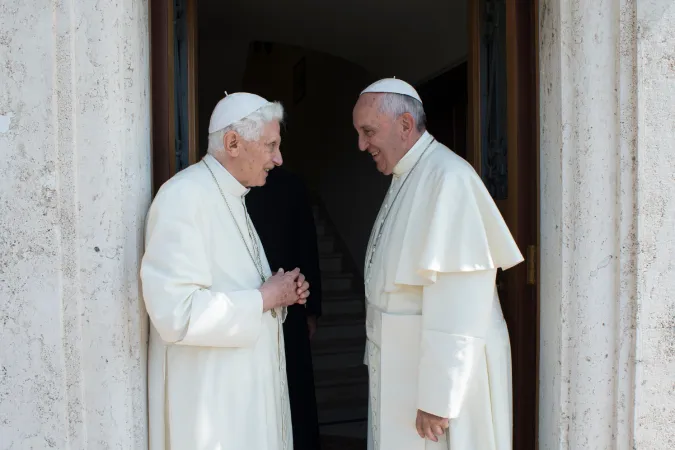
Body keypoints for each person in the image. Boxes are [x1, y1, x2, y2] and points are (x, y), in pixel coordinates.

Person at [352, 78, 524, 450]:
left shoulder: (449, 178)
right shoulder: (409, 175)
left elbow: (459, 300)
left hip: (442, 384)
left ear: (404, 125)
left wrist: (437, 398)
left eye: (368, 132)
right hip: (404, 365)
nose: (361, 145)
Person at [140, 92, 310, 450]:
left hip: (241, 400)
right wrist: (264, 298)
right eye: (271, 146)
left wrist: (280, 293)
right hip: (213, 407)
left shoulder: (232, 196)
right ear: (233, 142)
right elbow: (176, 314)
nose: (278, 159)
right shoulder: (183, 197)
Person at [246, 166, 323, 450]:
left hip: (291, 308)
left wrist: (311, 308)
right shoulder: (221, 192)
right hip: (244, 311)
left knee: (296, 393)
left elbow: (306, 245)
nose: (276, 156)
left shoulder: (292, 184)